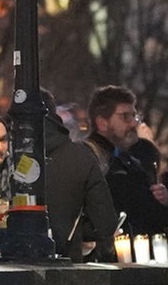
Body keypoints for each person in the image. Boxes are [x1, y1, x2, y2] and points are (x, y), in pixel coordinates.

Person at [84, 85, 168, 236]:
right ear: (102, 122)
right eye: (125, 116)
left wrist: (164, 200)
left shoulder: (129, 160)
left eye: (134, 116)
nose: (133, 123)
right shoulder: (88, 157)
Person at [42, 101, 116, 261]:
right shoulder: (80, 157)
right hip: (67, 263)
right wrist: (82, 232)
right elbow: (105, 222)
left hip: (8, 267)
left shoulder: (10, 153)